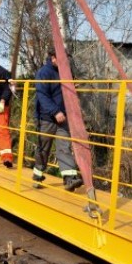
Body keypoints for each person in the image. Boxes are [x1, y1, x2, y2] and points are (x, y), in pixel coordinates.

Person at [32, 50, 83, 191]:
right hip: (46, 117)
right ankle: (38, 175)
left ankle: (69, 179)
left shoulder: (66, 72)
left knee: (64, 147)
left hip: (63, 117)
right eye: (63, 60)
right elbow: (42, 95)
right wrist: (55, 111)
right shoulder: (44, 72)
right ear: (53, 58)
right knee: (44, 148)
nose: (65, 63)